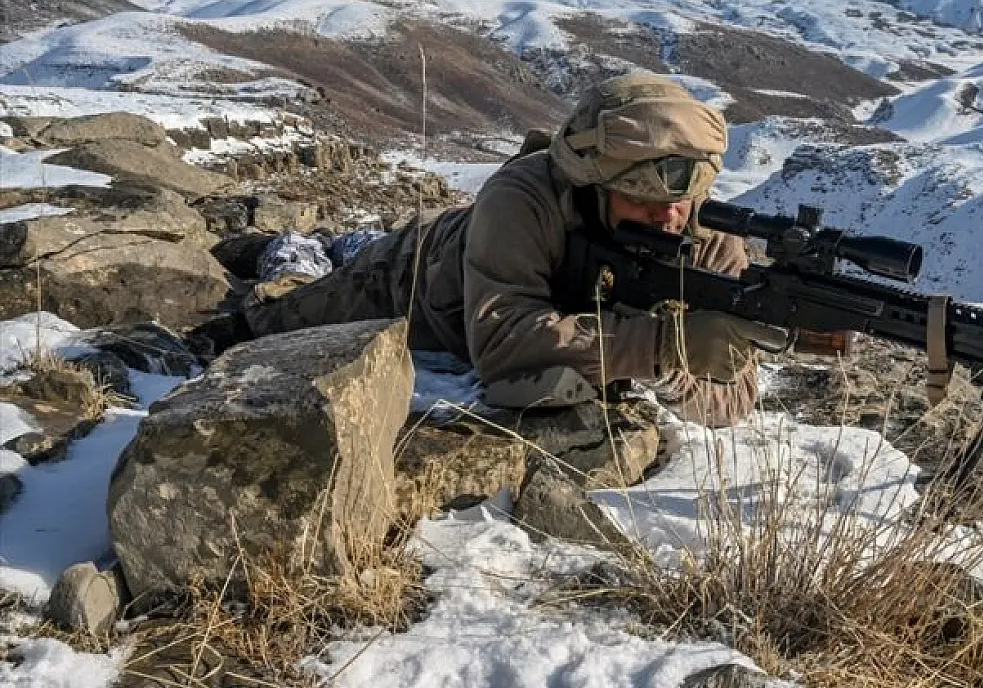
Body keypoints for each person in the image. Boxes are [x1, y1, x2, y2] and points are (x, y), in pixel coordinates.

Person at [240, 73, 781, 427]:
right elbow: (500, 346)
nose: (669, 217)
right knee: (270, 313)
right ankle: (291, 248)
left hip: (478, 256)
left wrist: (675, 367)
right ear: (593, 184)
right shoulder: (521, 196)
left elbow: (733, 401)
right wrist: (663, 342)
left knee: (346, 247)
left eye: (683, 199)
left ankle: (336, 242)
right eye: (641, 200)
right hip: (405, 277)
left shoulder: (710, 240)